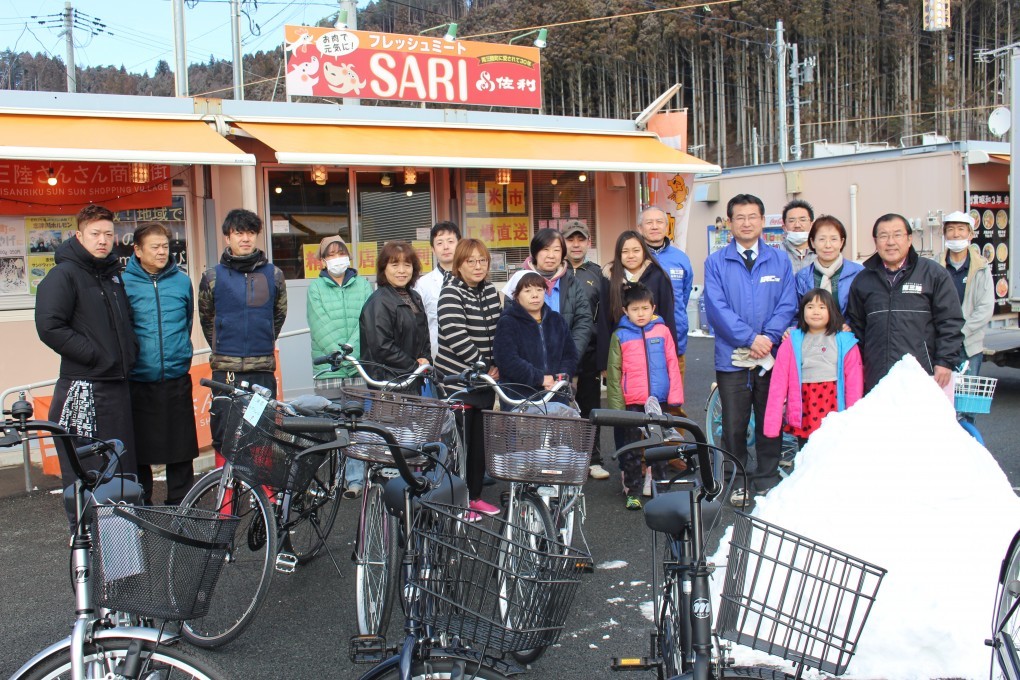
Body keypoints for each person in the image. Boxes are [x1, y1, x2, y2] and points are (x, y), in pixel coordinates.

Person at [35, 204, 138, 489]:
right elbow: (50, 326)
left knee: (119, 470)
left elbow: (126, 322)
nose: (103, 240)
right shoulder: (64, 275)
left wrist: (130, 352)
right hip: (83, 388)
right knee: (88, 474)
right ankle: (86, 534)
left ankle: (119, 534)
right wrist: (94, 355)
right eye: (95, 233)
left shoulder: (112, 275)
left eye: (108, 234)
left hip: (117, 386)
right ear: (79, 236)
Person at [704, 194, 797, 506]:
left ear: (762, 221)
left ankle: (767, 477)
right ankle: (738, 478)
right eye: (739, 217)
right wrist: (749, 338)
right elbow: (716, 309)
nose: (746, 223)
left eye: (752, 216)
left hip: (770, 355)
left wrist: (767, 338)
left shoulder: (780, 260)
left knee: (770, 418)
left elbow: (788, 303)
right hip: (732, 357)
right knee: (734, 423)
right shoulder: (716, 262)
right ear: (730, 223)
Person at [198, 208, 287, 458]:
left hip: (262, 369)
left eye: (250, 233)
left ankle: (262, 494)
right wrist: (225, 343)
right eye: (239, 233)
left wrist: (263, 339)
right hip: (226, 370)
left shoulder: (274, 275)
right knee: (225, 433)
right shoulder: (212, 277)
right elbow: (208, 319)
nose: (245, 238)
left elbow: (278, 316)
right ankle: (226, 493)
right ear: (228, 237)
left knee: (262, 432)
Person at [122, 223, 199, 506]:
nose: (161, 252)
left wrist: (178, 354)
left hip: (176, 375)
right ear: (138, 251)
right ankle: (142, 506)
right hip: (138, 379)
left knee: (181, 448)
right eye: (154, 247)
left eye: (165, 246)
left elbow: (187, 322)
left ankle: (182, 505)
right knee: (138, 451)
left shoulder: (181, 281)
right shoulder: (124, 283)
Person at [846, 213, 964, 394]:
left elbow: (950, 321)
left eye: (897, 234)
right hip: (877, 374)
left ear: (909, 239)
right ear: (876, 242)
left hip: (922, 372)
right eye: (883, 236)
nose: (890, 242)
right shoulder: (863, 280)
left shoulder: (933, 274)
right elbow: (857, 327)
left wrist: (945, 361)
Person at [435, 239, 502, 516]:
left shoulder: (489, 291)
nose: (478, 266)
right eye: (471, 261)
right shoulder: (450, 292)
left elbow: (500, 329)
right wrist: (484, 366)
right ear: (459, 265)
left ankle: (474, 497)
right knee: (459, 447)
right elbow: (455, 334)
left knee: (478, 446)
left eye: (482, 261)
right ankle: (456, 501)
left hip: (484, 382)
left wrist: (496, 363)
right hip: (458, 381)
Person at [606, 283, 684, 510]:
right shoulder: (619, 335)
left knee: (658, 447)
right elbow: (614, 373)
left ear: (653, 308)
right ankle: (633, 490)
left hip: (658, 401)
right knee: (631, 450)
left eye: (644, 308)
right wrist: (617, 408)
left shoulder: (662, 331)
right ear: (625, 311)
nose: (640, 314)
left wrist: (675, 396)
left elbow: (672, 363)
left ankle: (660, 487)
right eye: (634, 309)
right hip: (632, 402)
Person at [307, 235, 372, 498]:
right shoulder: (315, 288)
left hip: (357, 367)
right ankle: (334, 478)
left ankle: (356, 479)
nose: (337, 258)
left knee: (357, 423)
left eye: (340, 252)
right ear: (322, 261)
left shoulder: (364, 285)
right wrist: (338, 353)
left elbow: (367, 322)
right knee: (331, 425)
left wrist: (351, 352)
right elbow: (319, 325)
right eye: (330, 254)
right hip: (331, 368)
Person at [764, 288, 864, 448]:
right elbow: (778, 384)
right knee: (807, 452)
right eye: (810, 307)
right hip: (805, 406)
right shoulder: (791, 341)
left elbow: (854, 384)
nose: (815, 312)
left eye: (822, 307)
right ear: (802, 311)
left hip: (833, 405)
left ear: (832, 311)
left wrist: (853, 419)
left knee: (834, 451)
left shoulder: (845, 341)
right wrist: (772, 425)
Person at [562, 220, 609, 480]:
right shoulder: (555, 272)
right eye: (571, 239)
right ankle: (567, 457)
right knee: (561, 408)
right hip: (560, 353)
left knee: (590, 407)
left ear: (588, 242)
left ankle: (593, 458)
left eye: (581, 239)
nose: (576, 244)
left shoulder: (598, 274)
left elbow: (603, 320)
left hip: (589, 353)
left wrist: (603, 359)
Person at [502, 228, 594, 359]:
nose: (551, 255)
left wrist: (571, 357)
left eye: (556, 250)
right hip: (528, 366)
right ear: (535, 251)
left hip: (565, 365)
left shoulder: (573, 283)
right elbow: (510, 324)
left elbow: (583, 321)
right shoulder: (518, 280)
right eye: (545, 249)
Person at [597, 230, 676, 375]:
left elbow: (668, 317)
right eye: (625, 251)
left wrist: (671, 356)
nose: (631, 255)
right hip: (621, 352)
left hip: (654, 351)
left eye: (636, 250)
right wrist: (604, 363)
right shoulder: (609, 277)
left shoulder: (658, 276)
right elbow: (603, 320)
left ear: (644, 251)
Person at [493, 272, 579, 402]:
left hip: (556, 395)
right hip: (520, 399)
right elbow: (507, 360)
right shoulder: (508, 322)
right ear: (516, 296)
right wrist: (540, 379)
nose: (535, 295)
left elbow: (570, 355)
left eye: (539, 289)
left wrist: (558, 379)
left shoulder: (556, 320)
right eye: (527, 290)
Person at [360, 241, 431, 385]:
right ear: (383, 268)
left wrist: (425, 358)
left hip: (412, 377)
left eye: (407, 265)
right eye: (395, 265)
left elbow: (423, 336)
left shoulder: (414, 297)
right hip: (389, 381)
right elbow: (382, 346)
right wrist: (414, 366)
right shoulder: (379, 301)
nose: (402, 270)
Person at [937, 210, 995, 379]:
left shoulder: (981, 268)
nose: (956, 234)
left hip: (968, 345)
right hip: (939, 343)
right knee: (939, 399)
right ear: (944, 234)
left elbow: (985, 308)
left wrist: (960, 333)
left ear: (970, 234)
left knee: (967, 399)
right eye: (951, 229)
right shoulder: (933, 265)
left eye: (961, 229)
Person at [637, 207, 694, 377]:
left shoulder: (681, 259)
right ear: (640, 228)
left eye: (659, 222)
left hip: (674, 337)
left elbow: (684, 294)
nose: (654, 226)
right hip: (639, 341)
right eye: (649, 222)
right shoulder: (633, 257)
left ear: (667, 226)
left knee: (674, 399)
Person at [795, 215, 864, 314]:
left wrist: (849, 326)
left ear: (842, 242)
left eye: (834, 239)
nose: (828, 245)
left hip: (849, 329)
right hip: (811, 330)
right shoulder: (802, 277)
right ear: (812, 242)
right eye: (822, 239)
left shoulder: (858, 273)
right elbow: (796, 314)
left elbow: (865, 311)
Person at [414, 222, 460, 361]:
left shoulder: (471, 279)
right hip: (437, 359)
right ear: (433, 249)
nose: (446, 247)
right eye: (439, 243)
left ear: (460, 244)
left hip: (471, 361)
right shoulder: (422, 284)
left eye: (450, 241)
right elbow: (418, 326)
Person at [781, 199, 817, 275]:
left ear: (812, 225)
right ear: (784, 227)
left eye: (802, 220)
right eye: (791, 221)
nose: (797, 225)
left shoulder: (820, 252)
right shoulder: (776, 254)